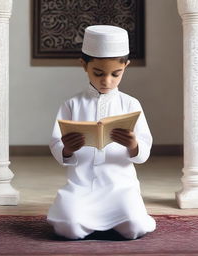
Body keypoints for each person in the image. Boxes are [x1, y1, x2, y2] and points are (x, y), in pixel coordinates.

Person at [47, 25, 156, 240]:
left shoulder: (131, 104)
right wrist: (67, 149)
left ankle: (109, 221)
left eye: (116, 74)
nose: (107, 81)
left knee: (134, 226)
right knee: (68, 227)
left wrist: (133, 144)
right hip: (82, 185)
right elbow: (56, 143)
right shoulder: (72, 104)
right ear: (84, 66)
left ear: (126, 66)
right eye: (98, 73)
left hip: (120, 186)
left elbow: (144, 149)